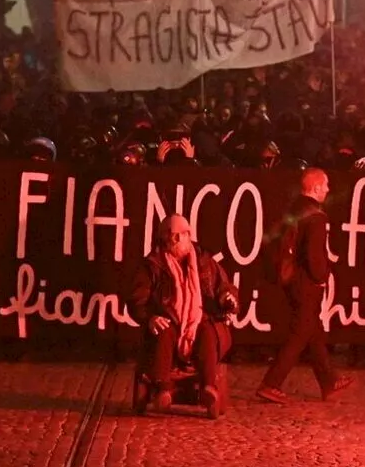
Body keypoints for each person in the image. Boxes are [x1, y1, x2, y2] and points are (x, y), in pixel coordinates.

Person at [256, 168, 353, 404]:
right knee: (301, 333)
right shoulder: (317, 216)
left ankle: (329, 381)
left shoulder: (293, 209)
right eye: (326, 185)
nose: (328, 189)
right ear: (316, 187)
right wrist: (322, 277)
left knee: (312, 330)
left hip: (290, 279)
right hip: (306, 282)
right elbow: (314, 256)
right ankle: (271, 383)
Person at [129, 214, 238, 416]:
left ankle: (209, 388)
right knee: (165, 329)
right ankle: (163, 389)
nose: (179, 239)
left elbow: (224, 286)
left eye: (184, 234)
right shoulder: (152, 265)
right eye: (174, 235)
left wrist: (227, 298)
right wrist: (150, 318)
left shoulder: (205, 261)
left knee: (207, 330)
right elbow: (137, 299)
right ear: (165, 239)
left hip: (198, 320)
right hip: (168, 321)